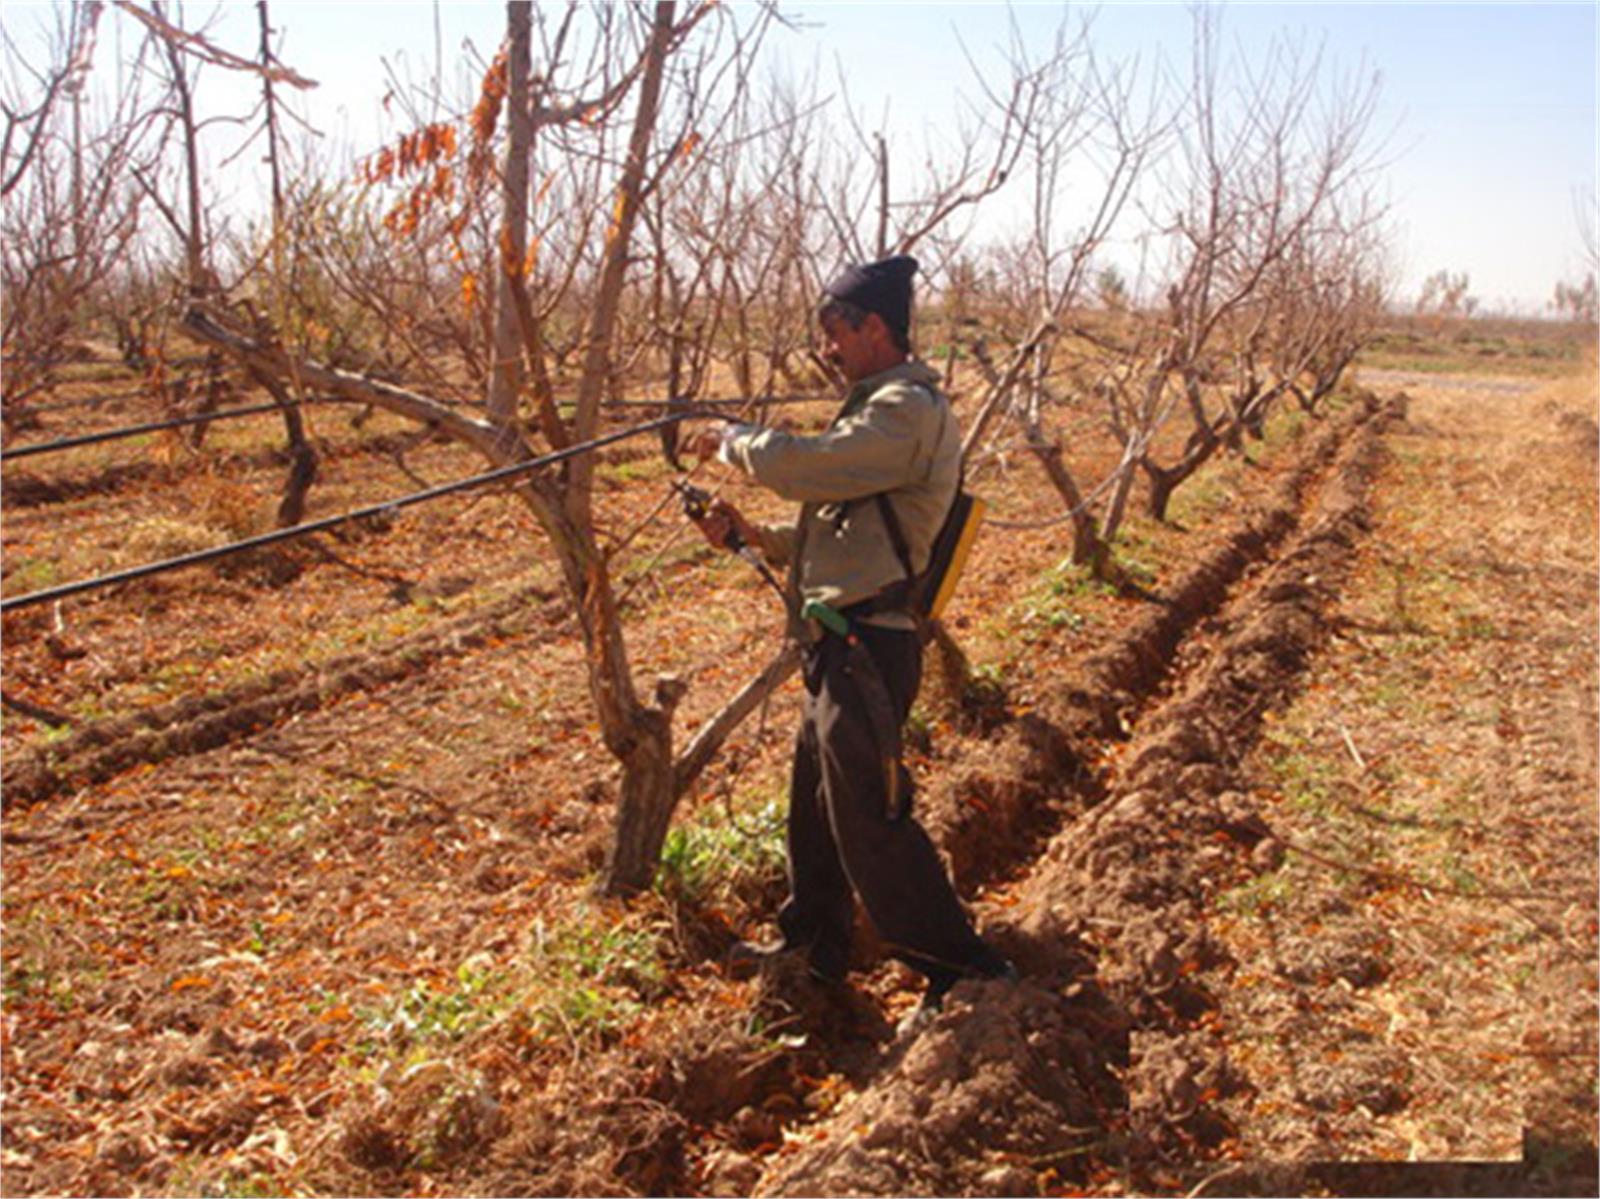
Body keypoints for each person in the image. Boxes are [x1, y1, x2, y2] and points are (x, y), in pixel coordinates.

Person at [688, 255, 1014, 1025]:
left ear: (875, 327)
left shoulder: (906, 408)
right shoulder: (880, 405)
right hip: (841, 640)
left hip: (871, 644)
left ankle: (961, 967)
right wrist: (751, 536)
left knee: (868, 811)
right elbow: (841, 528)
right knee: (817, 805)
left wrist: (734, 439)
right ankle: (815, 947)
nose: (827, 349)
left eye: (835, 332)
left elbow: (817, 470)